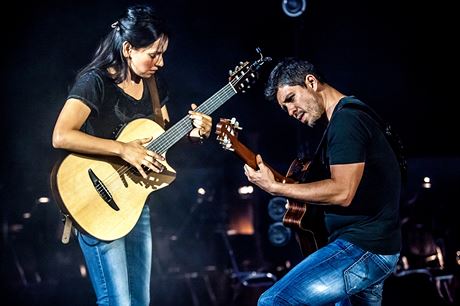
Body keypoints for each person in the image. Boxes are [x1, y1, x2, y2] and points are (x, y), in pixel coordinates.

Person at [51, 5, 212, 306]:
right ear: (127, 48)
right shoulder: (95, 81)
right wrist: (123, 149)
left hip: (135, 206)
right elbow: (61, 135)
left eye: (163, 54)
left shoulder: (153, 84)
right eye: (153, 53)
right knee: (118, 302)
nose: (160, 62)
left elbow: (162, 139)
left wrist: (193, 134)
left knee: (140, 301)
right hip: (94, 201)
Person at [244, 58, 402, 306]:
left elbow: (342, 191)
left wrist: (275, 187)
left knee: (274, 301)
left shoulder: (347, 121)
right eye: (284, 109)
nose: (291, 111)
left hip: (361, 249)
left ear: (311, 82)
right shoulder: (347, 119)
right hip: (374, 249)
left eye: (291, 99)